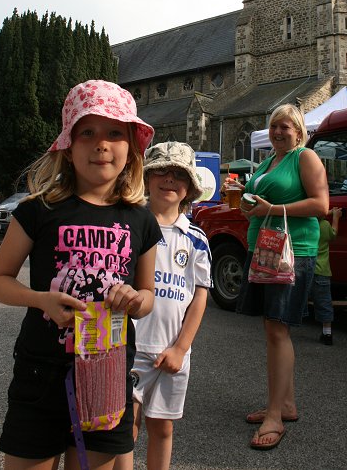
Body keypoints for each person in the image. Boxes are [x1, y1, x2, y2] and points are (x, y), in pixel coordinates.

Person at [0, 80, 162, 470]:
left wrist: (135, 299)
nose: (102, 143)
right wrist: (41, 299)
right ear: (68, 146)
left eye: (115, 132)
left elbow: (148, 297)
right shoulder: (38, 210)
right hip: (41, 371)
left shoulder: (141, 220)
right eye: (88, 132)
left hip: (108, 370)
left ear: (131, 146)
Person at [222, 103, 328, 451]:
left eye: (285, 126)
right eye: (274, 126)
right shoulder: (269, 162)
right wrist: (241, 195)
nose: (279, 131)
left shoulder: (304, 158)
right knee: (273, 327)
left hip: (292, 251)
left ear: (299, 130)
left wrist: (273, 209)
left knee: (277, 329)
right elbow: (255, 203)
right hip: (263, 248)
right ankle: (287, 404)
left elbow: (320, 205)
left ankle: (274, 416)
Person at [123, 142, 211, 470]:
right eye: (161, 171)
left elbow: (200, 295)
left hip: (172, 351)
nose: (169, 180)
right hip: (129, 346)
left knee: (162, 427)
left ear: (189, 186)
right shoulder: (129, 225)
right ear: (146, 178)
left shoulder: (197, 239)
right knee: (125, 426)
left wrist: (181, 347)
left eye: (179, 174)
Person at [311, 207, 342, 346]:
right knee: (324, 302)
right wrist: (335, 217)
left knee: (297, 299)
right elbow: (334, 234)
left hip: (305, 268)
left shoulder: (307, 224)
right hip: (322, 270)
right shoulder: (325, 225)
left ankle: (286, 327)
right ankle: (327, 332)